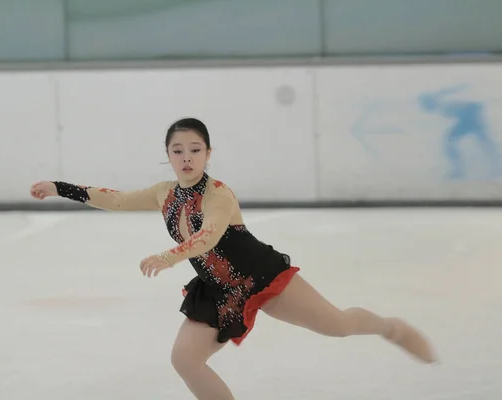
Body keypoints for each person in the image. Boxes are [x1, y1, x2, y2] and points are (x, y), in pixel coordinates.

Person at [30, 118, 437, 399]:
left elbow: (207, 238)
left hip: (262, 277)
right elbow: (116, 200)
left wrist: (168, 256)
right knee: (185, 360)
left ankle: (390, 328)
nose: (186, 157)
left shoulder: (219, 194)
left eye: (194, 149)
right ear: (168, 156)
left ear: (208, 153)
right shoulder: (163, 192)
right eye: (177, 150)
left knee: (338, 326)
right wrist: (59, 187)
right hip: (219, 291)